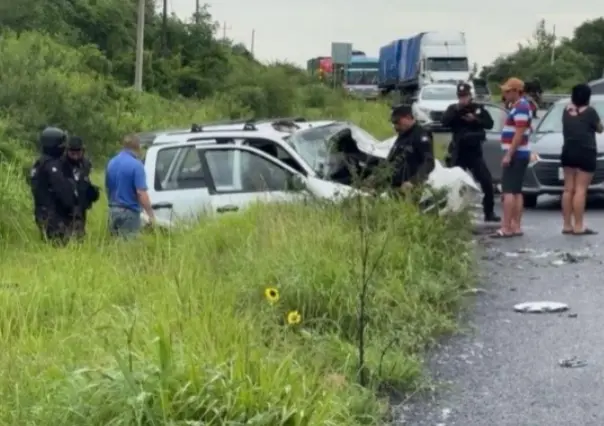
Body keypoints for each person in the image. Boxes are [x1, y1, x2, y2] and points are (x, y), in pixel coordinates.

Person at [442, 82, 500, 222]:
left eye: (465, 96)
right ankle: (451, 212)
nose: (463, 99)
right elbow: (444, 122)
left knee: (486, 182)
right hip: (459, 151)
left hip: (474, 152)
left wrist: (475, 119)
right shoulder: (453, 109)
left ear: (470, 95)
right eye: (461, 96)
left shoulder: (478, 109)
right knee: (453, 183)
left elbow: (489, 124)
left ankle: (489, 212)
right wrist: (457, 111)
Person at [491, 77, 532, 238]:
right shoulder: (519, 106)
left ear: (517, 91)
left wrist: (509, 154)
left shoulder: (521, 107)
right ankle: (515, 226)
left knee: (508, 191)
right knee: (516, 191)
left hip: (516, 154)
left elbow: (519, 133)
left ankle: (507, 227)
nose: (505, 94)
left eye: (508, 91)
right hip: (520, 153)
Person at [560, 83, 603, 235]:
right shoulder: (590, 112)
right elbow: (599, 128)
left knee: (567, 189)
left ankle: (566, 225)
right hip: (586, 153)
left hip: (568, 152)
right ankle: (578, 226)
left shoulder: (566, 111)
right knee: (580, 190)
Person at [29, 126, 78, 244]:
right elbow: (64, 192)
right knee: (60, 247)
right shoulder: (51, 167)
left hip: (43, 213)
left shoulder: (39, 164)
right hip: (54, 217)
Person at [105, 134, 155, 238]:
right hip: (129, 212)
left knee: (115, 246)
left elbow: (108, 187)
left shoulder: (111, 163)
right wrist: (150, 214)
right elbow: (141, 193)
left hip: (113, 211)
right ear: (138, 147)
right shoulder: (136, 165)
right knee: (128, 248)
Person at [386, 104, 435, 195]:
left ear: (408, 118)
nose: (395, 126)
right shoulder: (402, 136)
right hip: (395, 187)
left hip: (411, 188)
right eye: (394, 123)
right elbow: (391, 159)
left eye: (397, 122)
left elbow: (429, 162)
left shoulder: (420, 135)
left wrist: (413, 182)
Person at [62, 136, 100, 238]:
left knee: (79, 234)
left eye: (78, 153)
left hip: (81, 205)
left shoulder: (85, 164)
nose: (75, 156)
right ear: (67, 151)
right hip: (64, 206)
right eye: (72, 153)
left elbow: (84, 181)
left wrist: (91, 192)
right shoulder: (61, 163)